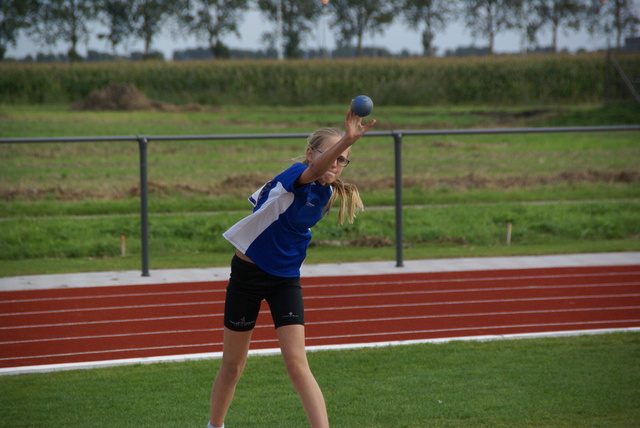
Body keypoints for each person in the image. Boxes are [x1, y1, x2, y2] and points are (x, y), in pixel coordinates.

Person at [208, 103, 376, 428]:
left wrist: (343, 146)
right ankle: (214, 426)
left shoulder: (327, 196)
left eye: (343, 160)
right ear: (310, 154)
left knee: (297, 365)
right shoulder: (293, 177)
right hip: (248, 275)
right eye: (332, 155)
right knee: (232, 366)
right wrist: (346, 140)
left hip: (285, 280)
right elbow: (314, 172)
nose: (338, 163)